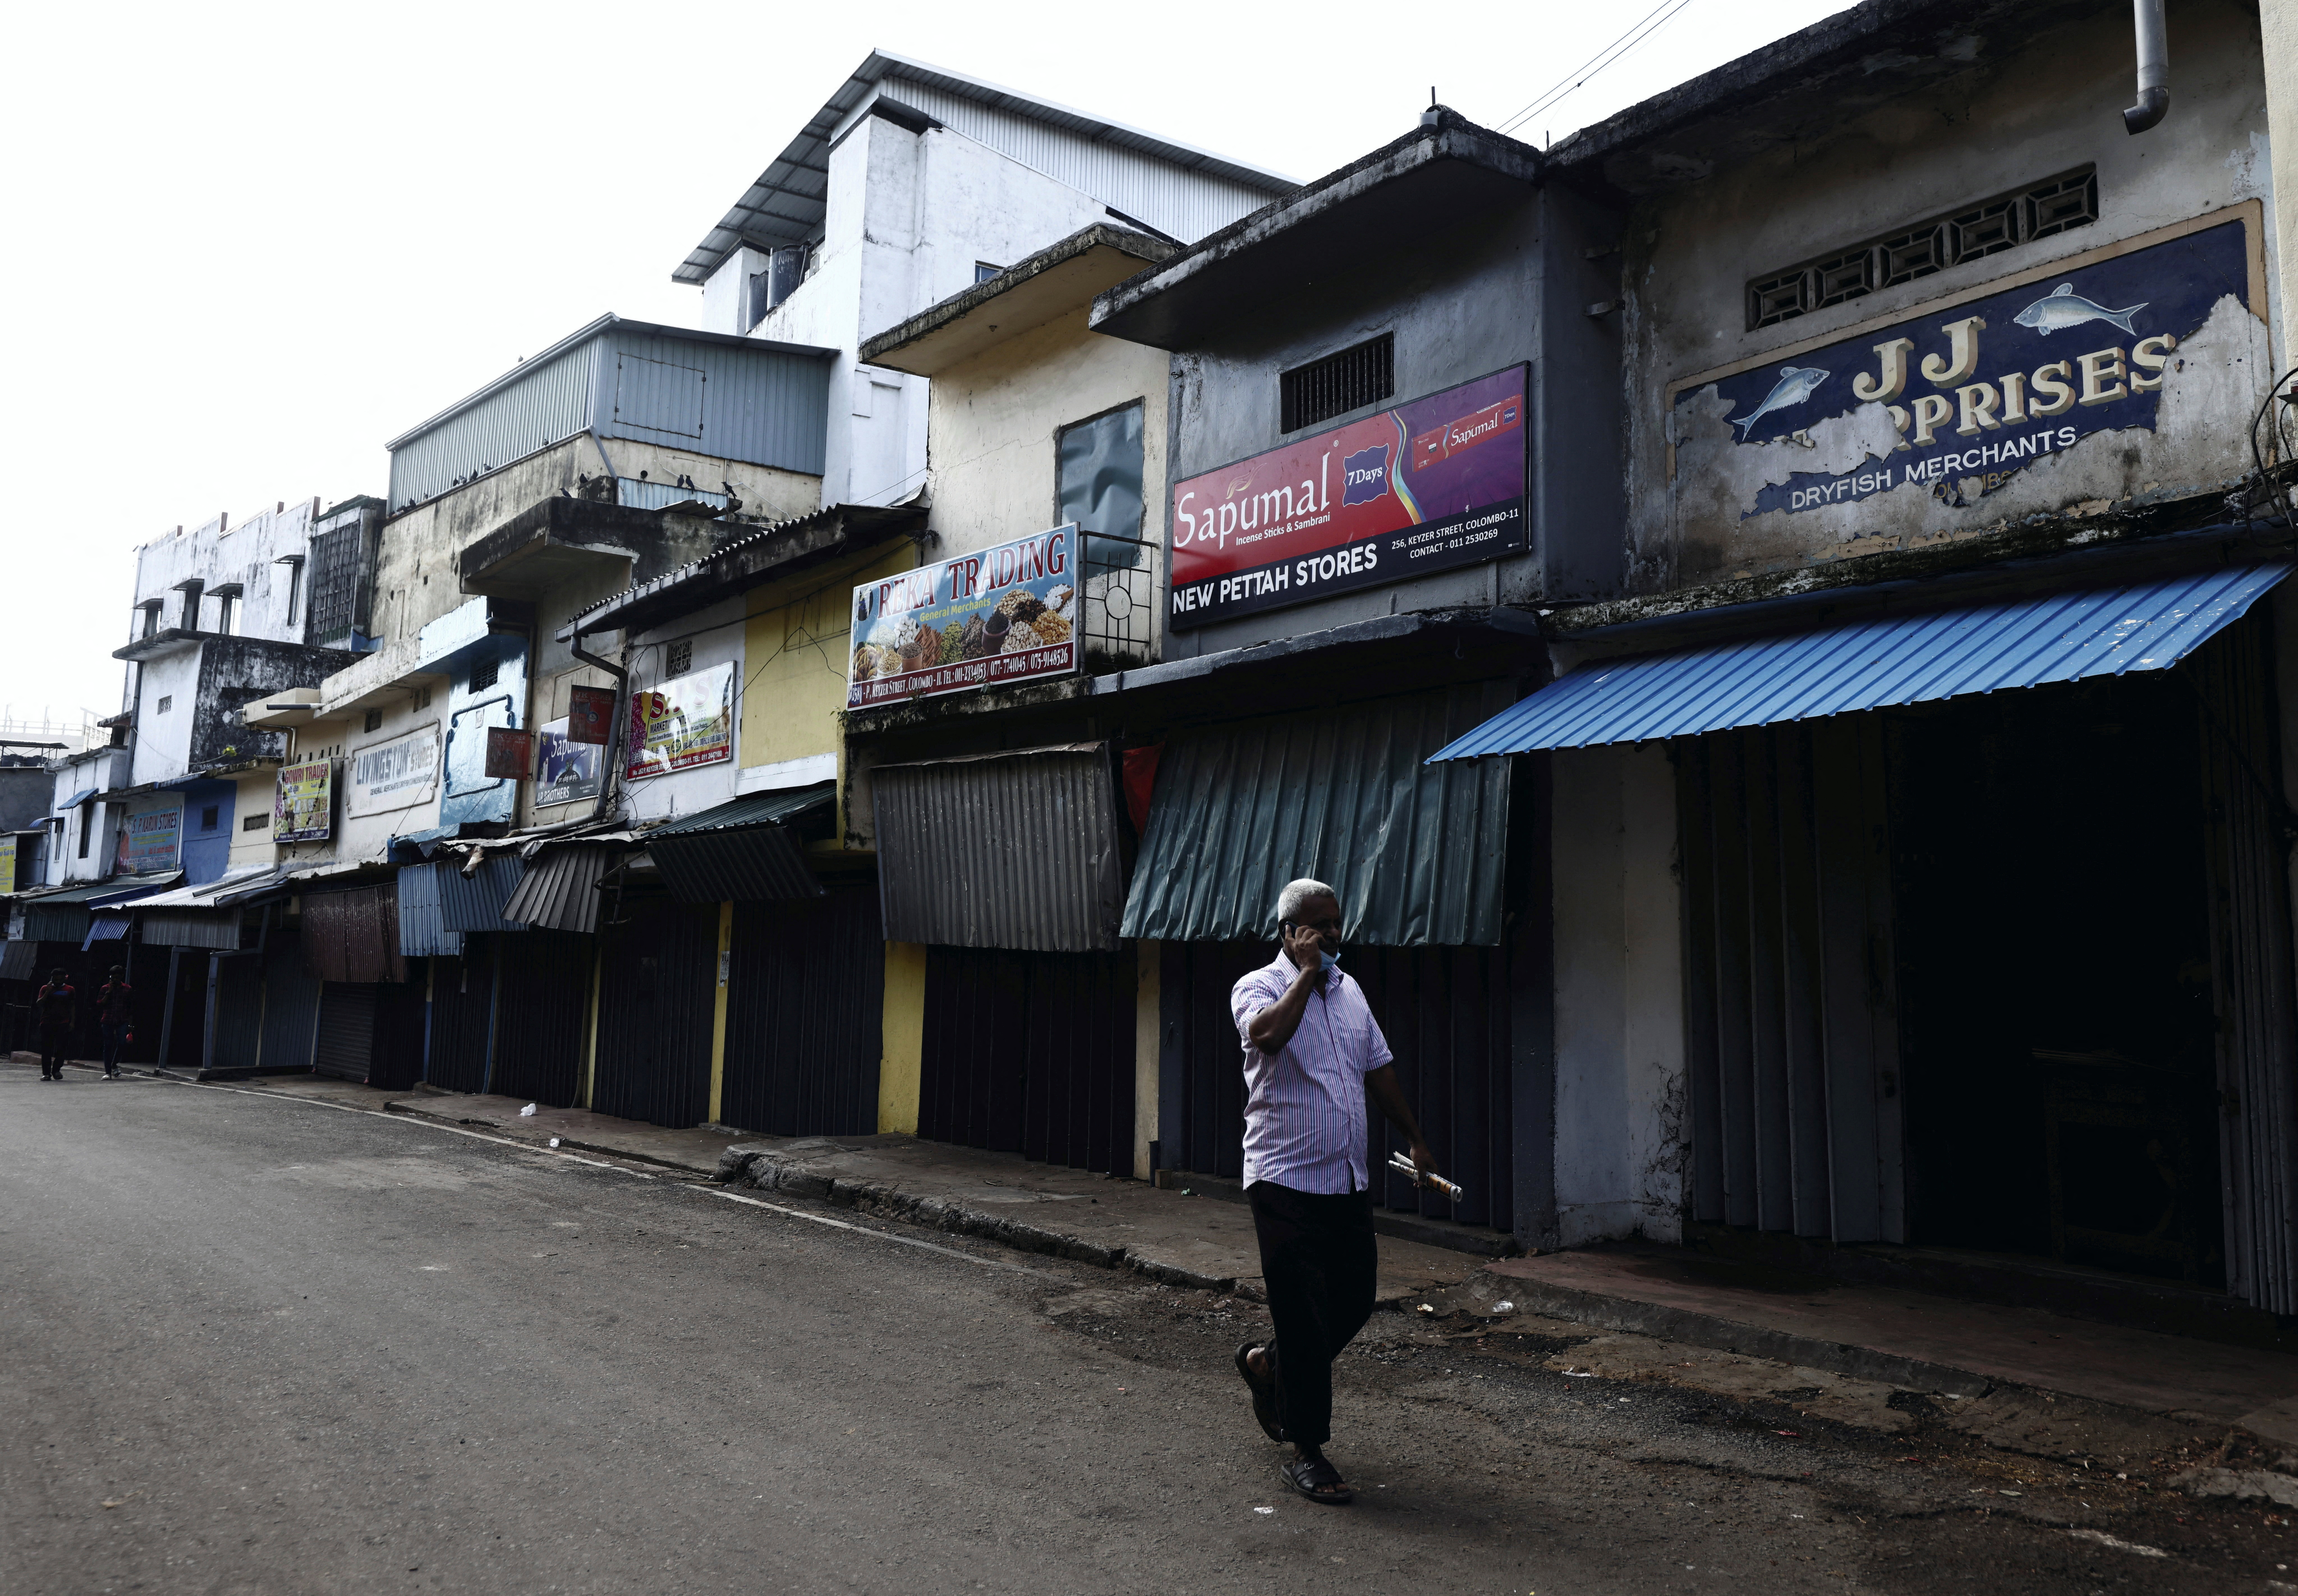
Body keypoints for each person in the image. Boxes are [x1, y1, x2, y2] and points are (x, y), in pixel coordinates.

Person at [1229, 878, 1439, 1506]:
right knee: (1300, 1310)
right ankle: (1308, 1449)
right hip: (1282, 1177)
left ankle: (1268, 1364)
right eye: (1314, 925)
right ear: (1288, 932)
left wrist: (1416, 1137)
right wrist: (1305, 974)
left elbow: (1377, 1067)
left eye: (1334, 923)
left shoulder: (1350, 993)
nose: (1328, 934)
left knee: (1352, 1299)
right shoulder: (1259, 986)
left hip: (1344, 1179)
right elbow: (1267, 1035)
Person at [34, 969, 78, 1081]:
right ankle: (47, 1073)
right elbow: (39, 1004)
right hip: (47, 1023)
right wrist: (48, 992)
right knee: (47, 1049)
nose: (57, 982)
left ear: (65, 978)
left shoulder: (70, 990)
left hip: (63, 1023)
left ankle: (57, 1070)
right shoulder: (45, 988)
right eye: (55, 980)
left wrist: (72, 1022)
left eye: (60, 979)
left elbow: (73, 1006)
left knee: (61, 1049)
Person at [96, 965, 132, 1079]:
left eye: (117, 977)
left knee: (122, 1043)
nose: (115, 980)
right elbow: (100, 1004)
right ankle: (108, 1072)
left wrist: (131, 1024)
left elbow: (131, 1007)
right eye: (113, 977)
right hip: (108, 1020)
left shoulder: (128, 989)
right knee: (108, 1045)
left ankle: (114, 1063)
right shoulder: (105, 988)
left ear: (122, 977)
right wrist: (109, 992)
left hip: (122, 1020)